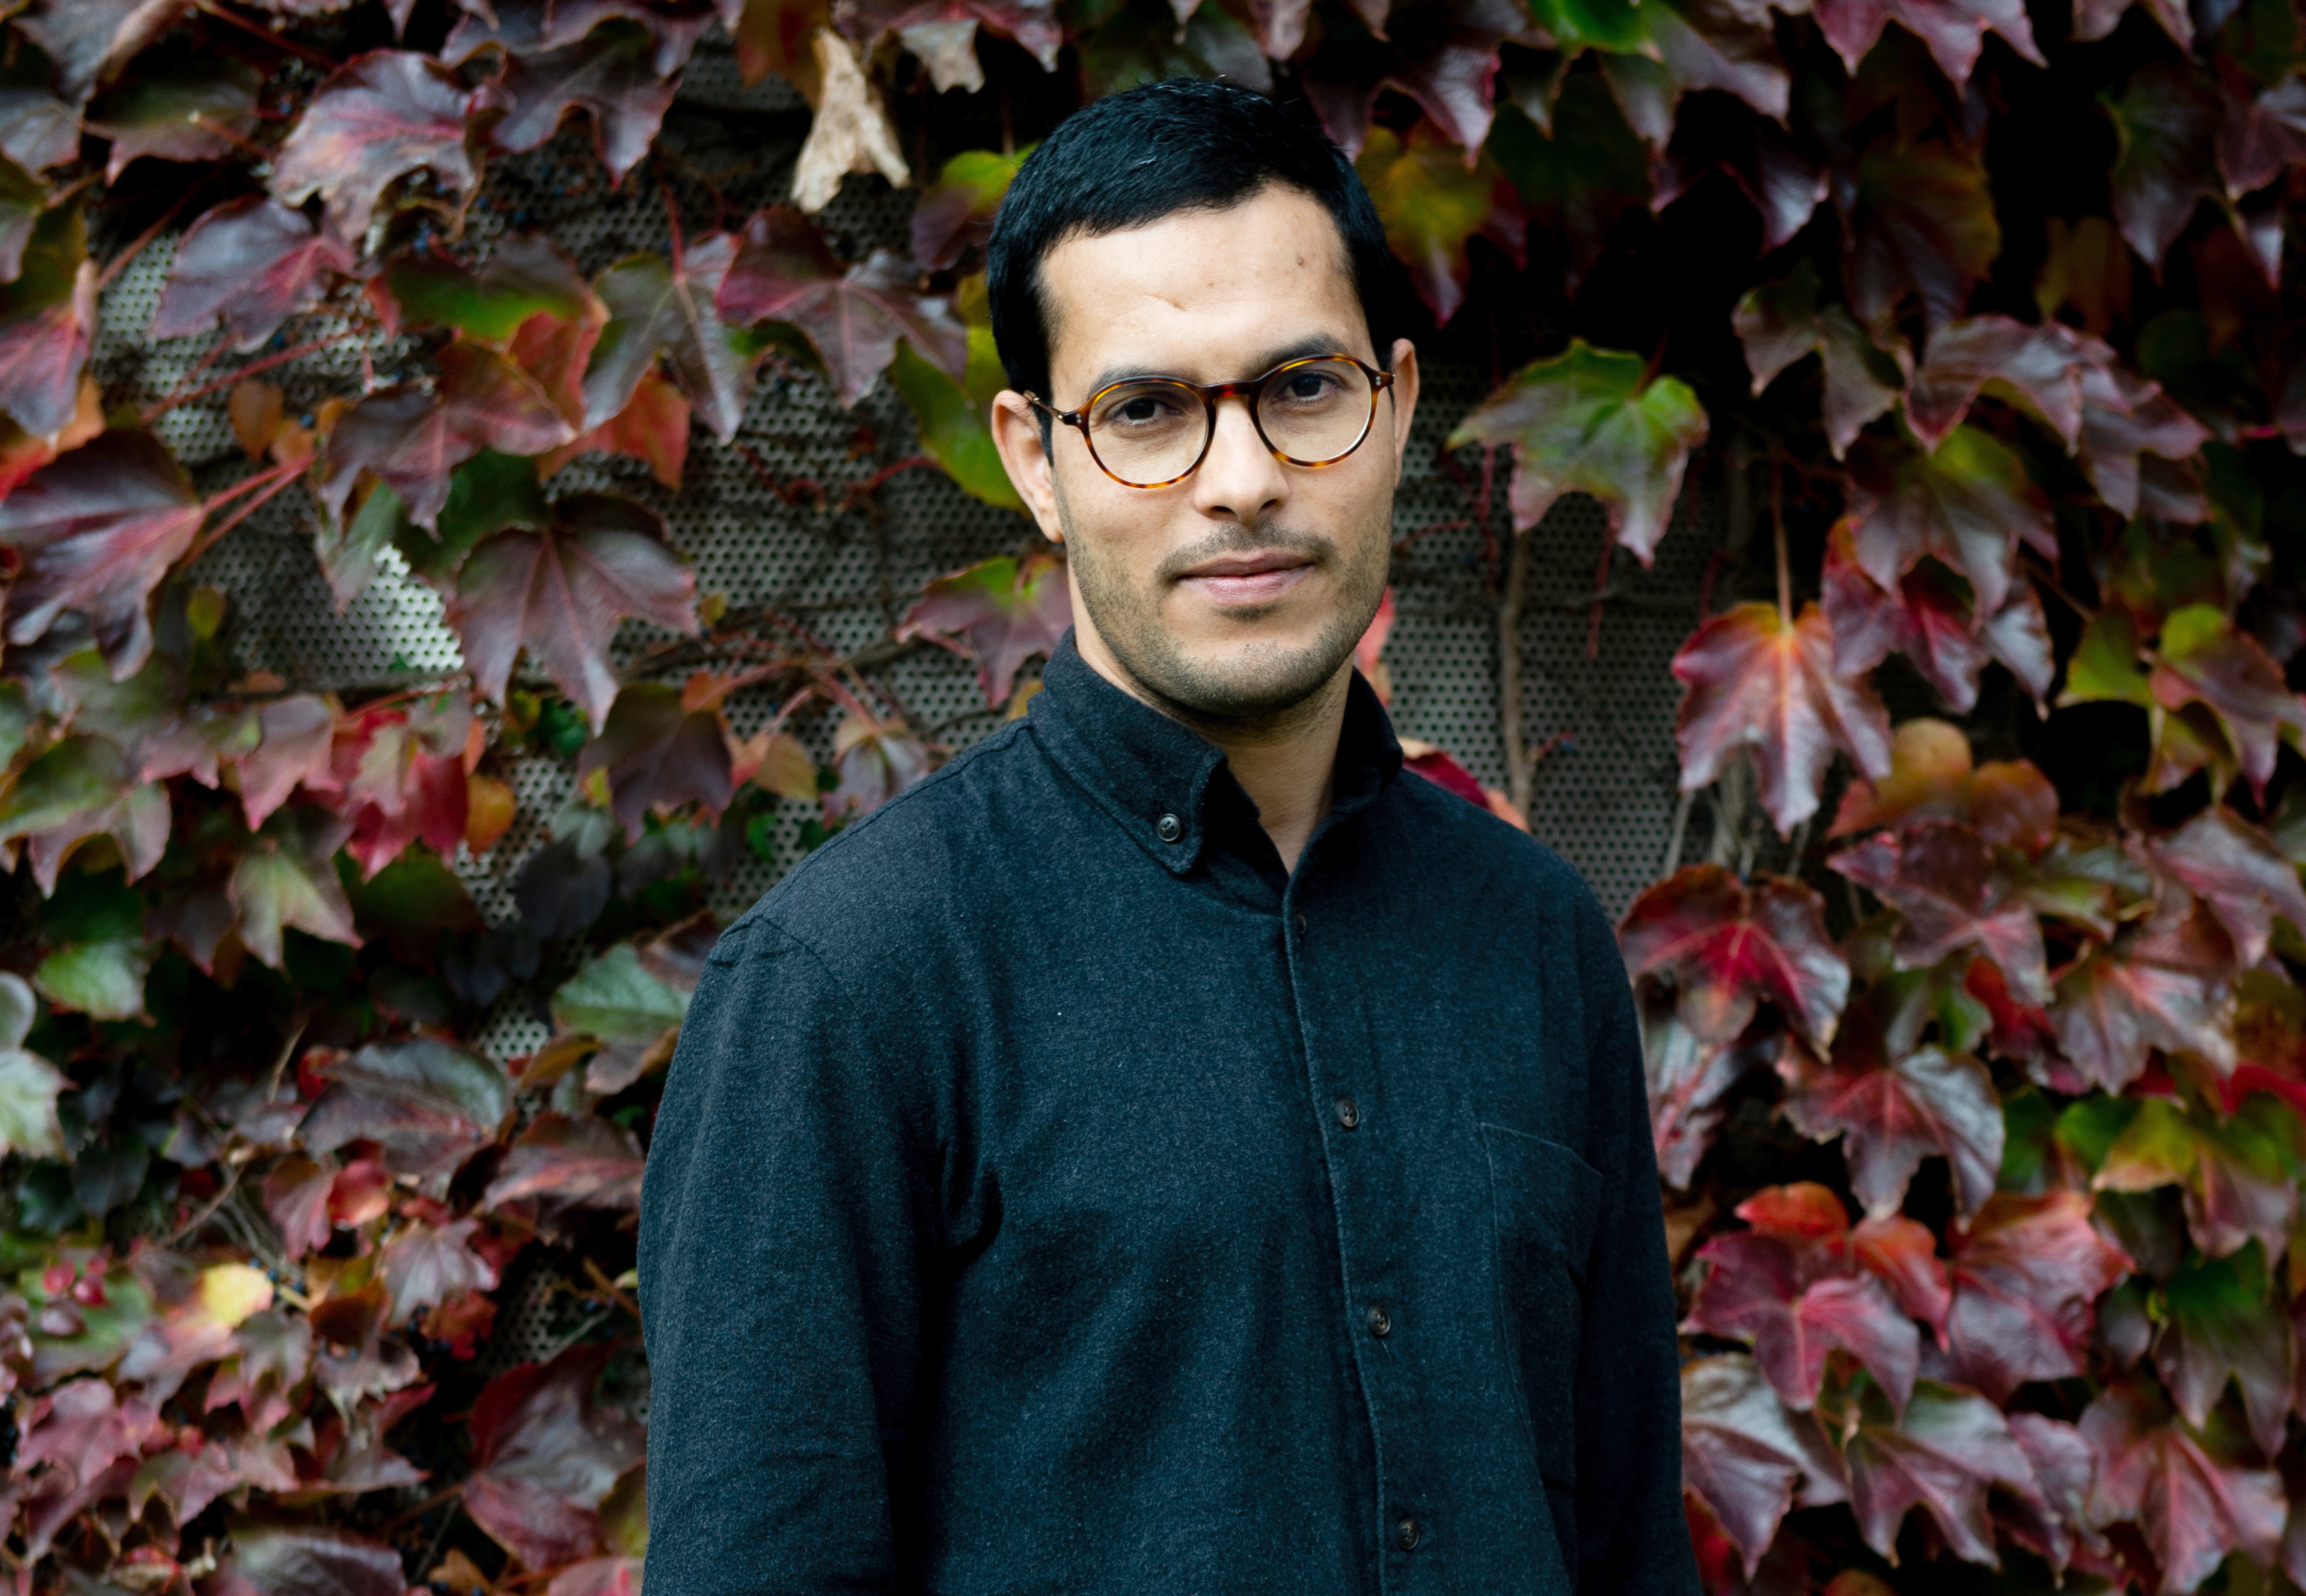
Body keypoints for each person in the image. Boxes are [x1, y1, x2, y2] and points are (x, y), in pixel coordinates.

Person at [637, 78, 1695, 1595]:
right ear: (1032, 457)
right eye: (1144, 411)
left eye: (1302, 389)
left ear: (1393, 407)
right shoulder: (849, 988)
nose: (1242, 477)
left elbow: (1622, 1550)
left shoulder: (1534, 941)